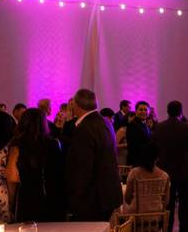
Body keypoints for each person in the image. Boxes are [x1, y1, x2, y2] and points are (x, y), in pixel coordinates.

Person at [64, 89, 123, 221]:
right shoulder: (106, 122)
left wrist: (74, 199)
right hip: (108, 195)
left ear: (75, 105)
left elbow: (83, 167)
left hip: (92, 199)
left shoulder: (85, 128)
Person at [5, 108, 64, 221]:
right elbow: (59, 173)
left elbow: (12, 176)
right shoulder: (54, 143)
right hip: (51, 197)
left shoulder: (17, 144)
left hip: (26, 197)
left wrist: (11, 205)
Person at [153, 100, 188, 232]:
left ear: (167, 111)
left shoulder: (159, 127)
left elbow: (154, 148)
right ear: (180, 112)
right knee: (184, 202)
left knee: (167, 202)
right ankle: (184, 230)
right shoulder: (187, 128)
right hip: (183, 170)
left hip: (164, 170)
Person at [124, 142, 170, 214]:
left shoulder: (134, 173)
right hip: (157, 215)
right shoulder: (164, 176)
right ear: (157, 158)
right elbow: (166, 201)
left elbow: (127, 198)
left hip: (136, 216)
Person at [125, 101, 152, 168]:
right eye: (141, 109)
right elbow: (133, 146)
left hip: (143, 160)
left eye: (145, 110)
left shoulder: (144, 124)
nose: (143, 112)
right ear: (136, 111)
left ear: (149, 112)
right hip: (137, 162)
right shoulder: (133, 125)